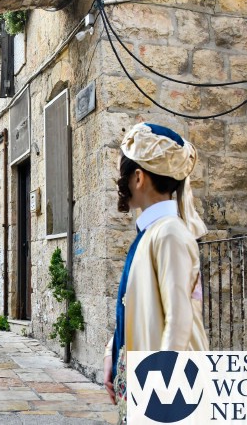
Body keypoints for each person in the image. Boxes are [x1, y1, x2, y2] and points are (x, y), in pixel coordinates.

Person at [104, 123, 209, 422]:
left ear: (138, 178)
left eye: (124, 175)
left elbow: (179, 317)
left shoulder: (169, 233)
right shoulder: (153, 232)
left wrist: (161, 392)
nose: (121, 183)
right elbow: (137, 305)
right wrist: (112, 351)